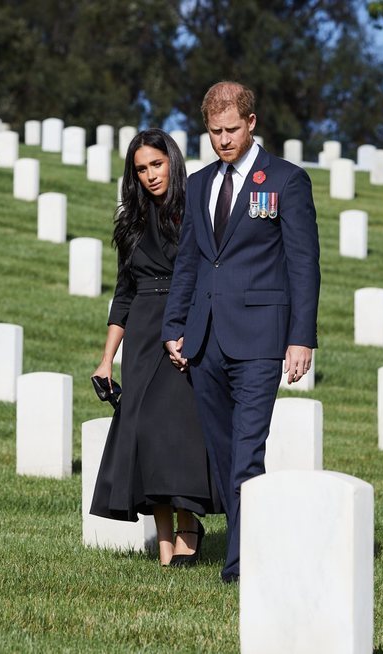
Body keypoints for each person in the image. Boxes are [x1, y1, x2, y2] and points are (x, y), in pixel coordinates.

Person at [161, 81, 320, 583]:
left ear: (252, 123)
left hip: (259, 340)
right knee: (225, 454)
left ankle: (241, 567)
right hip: (204, 339)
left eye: (232, 129)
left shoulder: (287, 181)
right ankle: (256, 545)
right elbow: (188, 260)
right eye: (214, 132)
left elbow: (303, 263)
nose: (224, 140)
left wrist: (302, 337)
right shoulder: (202, 182)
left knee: (247, 453)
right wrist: (175, 325)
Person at [90, 128, 221, 567]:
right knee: (145, 433)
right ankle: (165, 546)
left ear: (173, 162)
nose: (149, 175)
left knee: (175, 432)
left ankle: (189, 524)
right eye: (141, 168)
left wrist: (191, 327)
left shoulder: (195, 211)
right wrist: (107, 358)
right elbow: (123, 293)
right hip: (143, 332)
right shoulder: (130, 222)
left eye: (156, 164)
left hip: (182, 323)